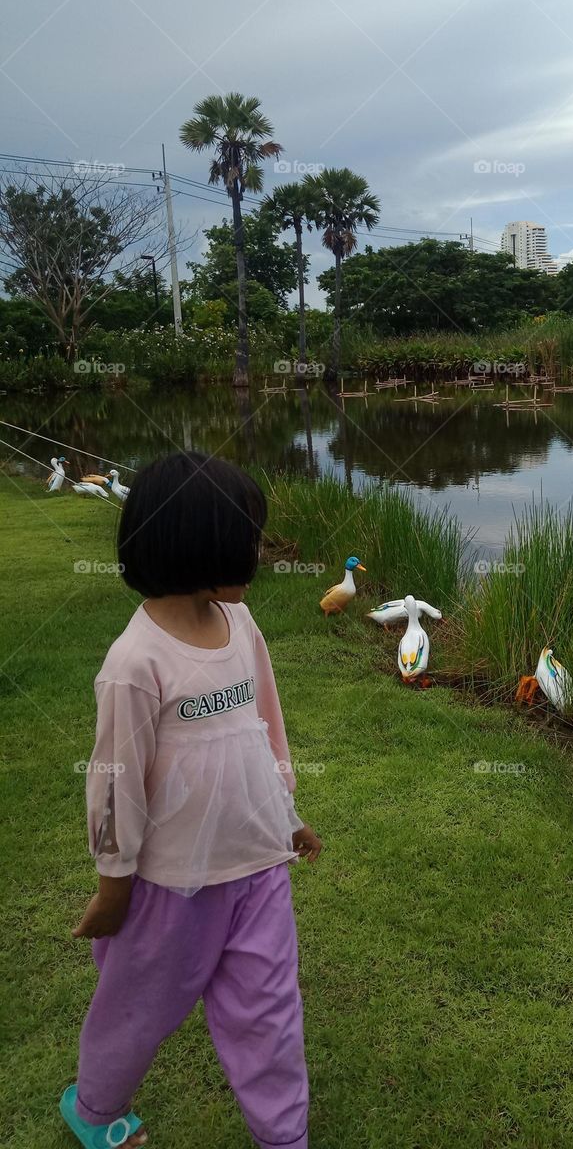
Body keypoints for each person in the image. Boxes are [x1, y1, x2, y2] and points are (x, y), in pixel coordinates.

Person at [60, 452, 322, 1149]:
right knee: (136, 1011)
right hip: (169, 887)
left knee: (268, 1014)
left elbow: (265, 730)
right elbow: (114, 780)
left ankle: (283, 1136)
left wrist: (287, 817)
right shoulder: (135, 665)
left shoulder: (244, 629)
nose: (258, 554)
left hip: (259, 872)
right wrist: (114, 884)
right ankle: (94, 1109)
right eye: (248, 538)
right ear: (196, 544)